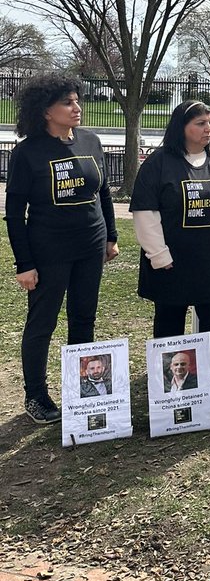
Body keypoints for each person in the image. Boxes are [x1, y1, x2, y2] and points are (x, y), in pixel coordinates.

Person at [5, 74, 118, 424]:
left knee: (84, 318)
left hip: (91, 246)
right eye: (67, 102)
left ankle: (81, 390)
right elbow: (13, 212)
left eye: (77, 100)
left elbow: (102, 193)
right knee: (43, 322)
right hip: (49, 251)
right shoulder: (28, 152)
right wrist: (24, 263)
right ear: (45, 110)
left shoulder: (90, 140)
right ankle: (36, 396)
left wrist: (110, 236)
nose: (77, 108)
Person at [130, 100, 210, 404]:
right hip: (172, 262)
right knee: (170, 319)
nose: (208, 128)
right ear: (181, 127)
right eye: (200, 123)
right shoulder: (158, 164)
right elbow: (145, 213)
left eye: (209, 122)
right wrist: (159, 254)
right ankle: (169, 382)